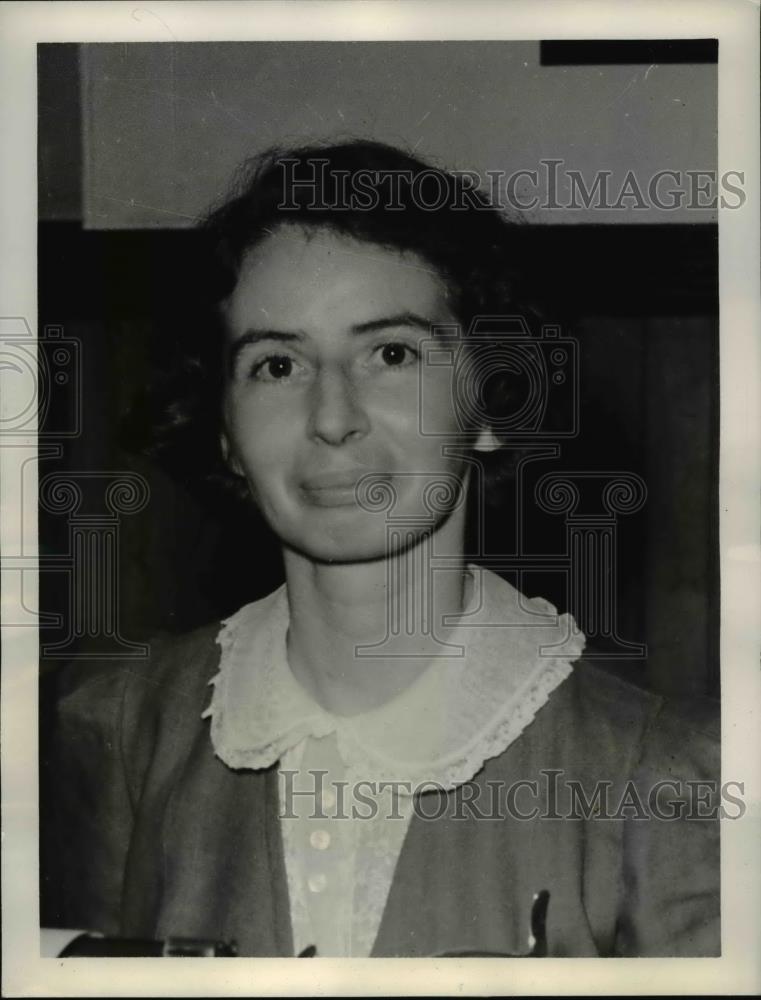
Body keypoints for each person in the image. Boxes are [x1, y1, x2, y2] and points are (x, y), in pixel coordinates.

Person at [48, 140, 720, 958]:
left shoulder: (662, 771)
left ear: (490, 401)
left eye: (391, 354)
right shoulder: (116, 732)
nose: (332, 417)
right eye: (276, 363)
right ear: (224, 431)